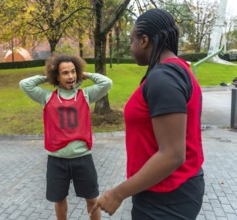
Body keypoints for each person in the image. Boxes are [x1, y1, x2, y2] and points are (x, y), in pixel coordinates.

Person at [91, 9, 204, 220]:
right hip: (171, 190)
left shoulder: (163, 78)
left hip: (165, 199)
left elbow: (172, 154)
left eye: (131, 40)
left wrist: (117, 194)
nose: (130, 47)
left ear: (144, 41)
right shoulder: (177, 69)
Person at [19, 54, 112, 220]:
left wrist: (87, 75)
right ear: (57, 76)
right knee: (59, 200)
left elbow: (107, 83)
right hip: (57, 160)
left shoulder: (85, 95)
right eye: (65, 73)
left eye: (73, 72)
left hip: (83, 158)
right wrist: (47, 78)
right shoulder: (47, 97)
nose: (71, 76)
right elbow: (25, 84)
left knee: (92, 199)